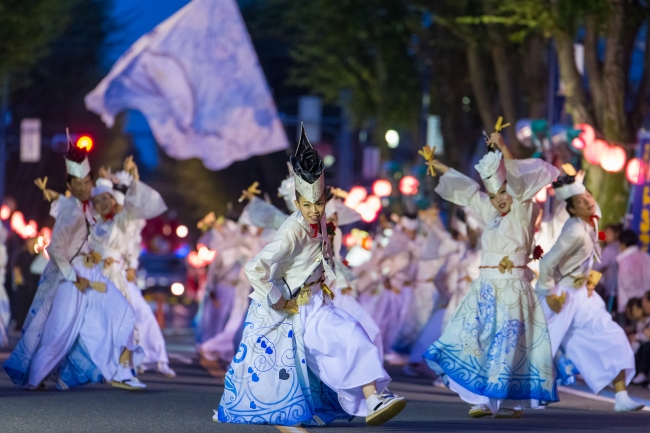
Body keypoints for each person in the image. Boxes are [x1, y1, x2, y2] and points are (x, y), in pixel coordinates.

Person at [215, 126, 405, 427]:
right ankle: (356, 402)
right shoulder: (292, 230)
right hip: (298, 311)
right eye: (308, 205)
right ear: (297, 201)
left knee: (349, 340)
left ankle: (373, 399)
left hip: (319, 302)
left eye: (319, 203)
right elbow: (255, 266)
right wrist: (277, 300)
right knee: (343, 341)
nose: (315, 210)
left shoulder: (322, 224)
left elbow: (321, 260)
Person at [423, 132, 559, 418]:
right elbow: (471, 192)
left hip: (511, 288)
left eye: (503, 193)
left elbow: (516, 176)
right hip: (486, 287)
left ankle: (489, 400)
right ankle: (497, 401)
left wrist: (502, 146)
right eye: (494, 195)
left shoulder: (522, 210)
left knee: (504, 342)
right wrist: (439, 165)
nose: (498, 200)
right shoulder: (492, 214)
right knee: (474, 337)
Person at [4, 141, 144, 391]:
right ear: (70, 186)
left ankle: (121, 372)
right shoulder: (72, 210)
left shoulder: (83, 207)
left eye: (86, 183)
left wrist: (90, 255)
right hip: (72, 280)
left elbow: (87, 234)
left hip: (90, 273)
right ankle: (34, 379)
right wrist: (74, 277)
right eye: (77, 184)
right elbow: (56, 250)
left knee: (123, 313)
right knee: (59, 333)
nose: (82, 187)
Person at [537, 167, 644, 412]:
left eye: (588, 197)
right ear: (572, 209)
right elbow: (547, 262)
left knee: (612, 336)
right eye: (581, 201)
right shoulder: (574, 229)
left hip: (584, 296)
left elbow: (591, 256)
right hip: (562, 295)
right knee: (543, 345)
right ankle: (524, 395)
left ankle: (621, 397)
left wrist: (591, 278)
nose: (588, 202)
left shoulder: (592, 220)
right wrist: (548, 293)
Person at [93, 165, 176, 377]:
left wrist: (131, 266)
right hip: (99, 276)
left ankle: (157, 359)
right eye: (100, 199)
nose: (104, 203)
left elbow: (134, 242)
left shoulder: (126, 219)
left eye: (108, 198)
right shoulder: (95, 221)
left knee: (142, 314)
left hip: (121, 275)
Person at [615, 230, 650, 316]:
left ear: (622, 244)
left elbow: (627, 284)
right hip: (646, 303)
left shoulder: (626, 261)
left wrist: (637, 302)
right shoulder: (646, 256)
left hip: (630, 307)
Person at [593, 223, 622, 310]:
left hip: (609, 290)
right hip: (619, 289)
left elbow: (596, 267)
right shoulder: (620, 246)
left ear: (616, 234)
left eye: (609, 233)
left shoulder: (609, 250)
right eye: (605, 232)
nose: (606, 235)